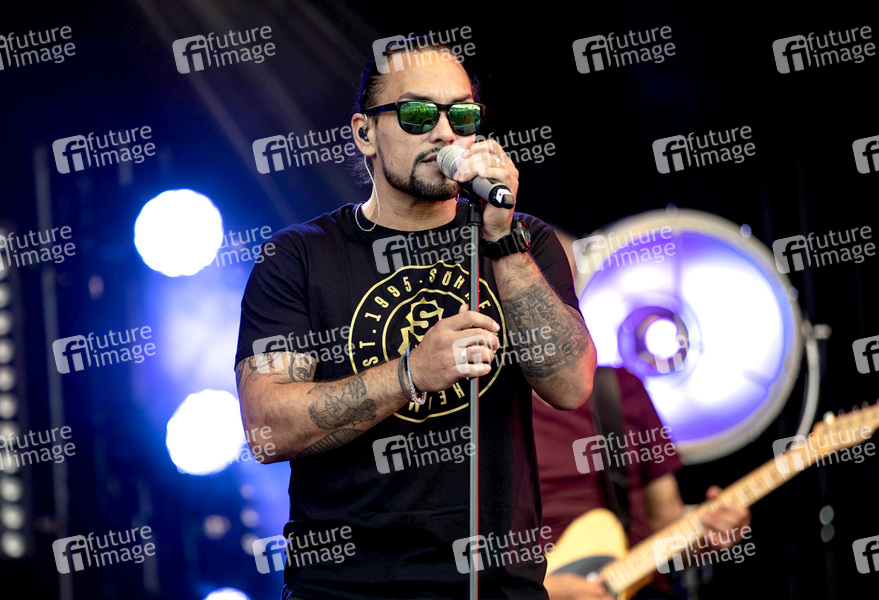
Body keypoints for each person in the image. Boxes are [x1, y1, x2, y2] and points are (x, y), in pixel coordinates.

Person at [234, 38, 596, 600]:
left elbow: (570, 386)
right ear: (365, 134)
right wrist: (411, 373)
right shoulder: (299, 256)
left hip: (499, 586)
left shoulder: (524, 241)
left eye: (463, 115)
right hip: (346, 591)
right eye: (419, 114)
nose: (445, 132)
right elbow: (267, 429)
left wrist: (502, 241)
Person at [534, 230, 752, 600]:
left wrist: (711, 534)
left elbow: (668, 526)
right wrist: (546, 592)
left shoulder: (619, 388)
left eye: (563, 285)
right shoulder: (471, 406)